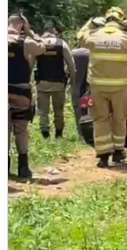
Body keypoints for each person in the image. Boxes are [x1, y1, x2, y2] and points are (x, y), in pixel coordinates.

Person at [77, 7, 127, 168]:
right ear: (122, 21)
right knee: (119, 119)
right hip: (119, 87)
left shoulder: (94, 36)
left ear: (105, 20)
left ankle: (103, 156)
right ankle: (118, 152)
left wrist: (90, 23)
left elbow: (80, 37)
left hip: (98, 88)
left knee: (100, 119)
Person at [8, 13, 46, 178]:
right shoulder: (26, 43)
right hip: (21, 91)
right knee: (21, 129)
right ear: (21, 26)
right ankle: (23, 167)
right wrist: (30, 32)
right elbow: (43, 47)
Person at [33, 22, 76, 139]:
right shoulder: (62, 44)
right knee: (59, 110)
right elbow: (71, 66)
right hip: (58, 83)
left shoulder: (37, 44)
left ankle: (45, 134)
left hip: (42, 83)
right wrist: (72, 81)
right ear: (54, 31)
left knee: (43, 111)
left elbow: (30, 64)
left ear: (44, 31)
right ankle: (58, 134)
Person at [71, 47, 89, 137]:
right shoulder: (91, 53)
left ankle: (81, 132)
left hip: (77, 85)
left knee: (76, 100)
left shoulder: (75, 53)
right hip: (91, 85)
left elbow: (68, 69)